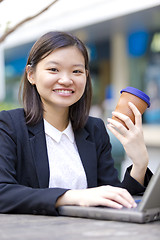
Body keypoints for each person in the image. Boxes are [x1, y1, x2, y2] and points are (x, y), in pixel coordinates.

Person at [0, 31, 152, 216]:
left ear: (86, 76)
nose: (66, 80)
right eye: (53, 70)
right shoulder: (8, 125)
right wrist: (73, 197)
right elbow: (3, 192)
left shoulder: (94, 129)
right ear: (31, 75)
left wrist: (140, 164)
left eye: (77, 71)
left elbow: (115, 199)